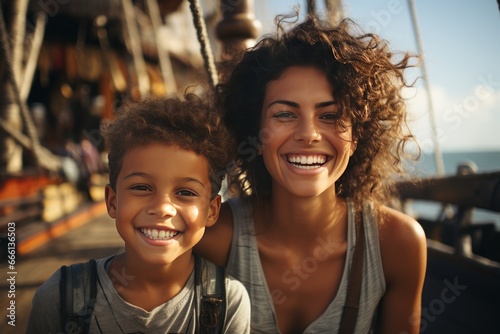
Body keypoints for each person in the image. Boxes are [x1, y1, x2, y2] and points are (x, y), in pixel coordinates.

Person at [195, 15, 427, 334]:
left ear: (357, 135)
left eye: (330, 115)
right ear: (255, 131)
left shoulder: (397, 244)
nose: (309, 134)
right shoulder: (213, 238)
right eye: (286, 114)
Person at [26, 95, 251, 333]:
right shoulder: (59, 300)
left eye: (185, 192)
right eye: (141, 187)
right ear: (113, 202)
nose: (163, 208)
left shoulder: (229, 303)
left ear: (211, 211)